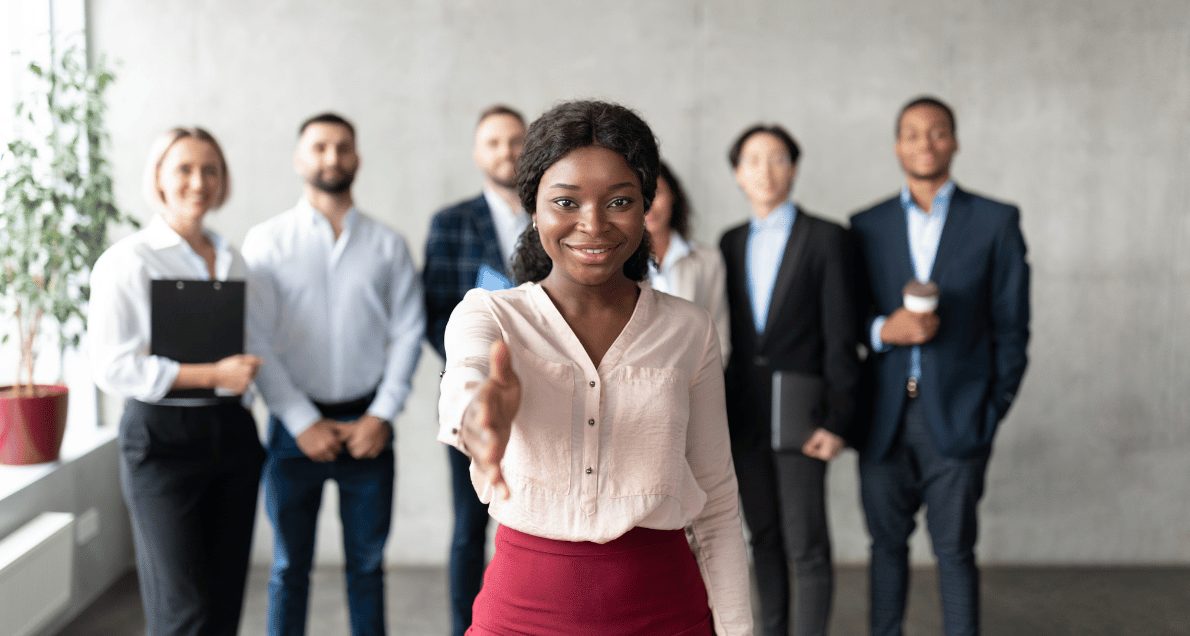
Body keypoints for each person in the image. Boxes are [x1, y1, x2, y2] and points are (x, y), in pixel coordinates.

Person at [437, 100, 753, 635]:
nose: (593, 224)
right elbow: (469, 382)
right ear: (533, 210)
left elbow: (717, 502)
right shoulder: (490, 313)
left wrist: (738, 630)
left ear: (646, 206)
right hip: (523, 615)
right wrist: (482, 416)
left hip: (668, 612)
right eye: (566, 201)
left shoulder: (688, 329)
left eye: (619, 201)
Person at [849, 96, 1030, 636]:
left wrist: (988, 411)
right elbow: (845, 320)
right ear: (896, 145)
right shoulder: (867, 225)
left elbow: (1013, 329)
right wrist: (884, 330)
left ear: (954, 140)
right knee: (885, 547)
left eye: (937, 131)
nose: (924, 142)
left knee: (954, 551)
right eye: (911, 132)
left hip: (958, 417)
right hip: (882, 417)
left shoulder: (997, 221)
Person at [243, 112, 425, 636]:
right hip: (291, 430)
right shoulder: (266, 242)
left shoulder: (388, 244)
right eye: (319, 147)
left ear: (357, 159)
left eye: (342, 147)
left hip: (368, 426)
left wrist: (381, 415)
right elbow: (256, 341)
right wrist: (301, 420)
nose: (332, 157)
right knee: (287, 568)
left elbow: (408, 333)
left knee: (367, 568)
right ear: (300, 159)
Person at [88, 127, 264, 635]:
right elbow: (112, 367)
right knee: (183, 611)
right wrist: (212, 374)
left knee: (225, 601)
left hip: (232, 435)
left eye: (210, 169)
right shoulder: (128, 261)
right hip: (161, 443)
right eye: (183, 169)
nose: (198, 181)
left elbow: (255, 343)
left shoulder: (234, 259)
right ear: (159, 179)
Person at [719, 124, 860, 636]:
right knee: (765, 540)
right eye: (753, 160)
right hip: (745, 414)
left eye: (777, 158)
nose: (766, 169)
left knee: (808, 544)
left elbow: (841, 336)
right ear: (737, 174)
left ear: (794, 168)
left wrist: (840, 419)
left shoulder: (826, 238)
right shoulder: (729, 243)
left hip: (804, 414)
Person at [422, 104, 527, 636]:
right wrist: (478, 360)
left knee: (534, 522)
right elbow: (433, 311)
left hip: (544, 391)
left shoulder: (552, 214)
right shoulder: (451, 222)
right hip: (472, 395)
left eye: (514, 140)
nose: (505, 152)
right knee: (468, 528)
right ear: (476, 152)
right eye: (493, 142)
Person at [644, 161, 730, 361]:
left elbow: (719, 332)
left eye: (657, 192)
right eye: (641, 196)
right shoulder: (618, 264)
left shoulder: (707, 260)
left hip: (693, 382)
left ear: (673, 195)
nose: (650, 205)